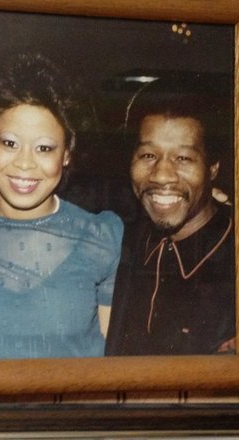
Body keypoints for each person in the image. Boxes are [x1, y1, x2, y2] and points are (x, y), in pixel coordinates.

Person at [0, 52, 123, 359]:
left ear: (67, 153)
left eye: (44, 148)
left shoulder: (101, 237)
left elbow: (112, 365)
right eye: (9, 143)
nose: (25, 163)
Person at [105, 76, 235, 356]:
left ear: (212, 168)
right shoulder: (119, 237)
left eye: (184, 158)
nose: (162, 175)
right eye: (148, 155)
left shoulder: (232, 253)